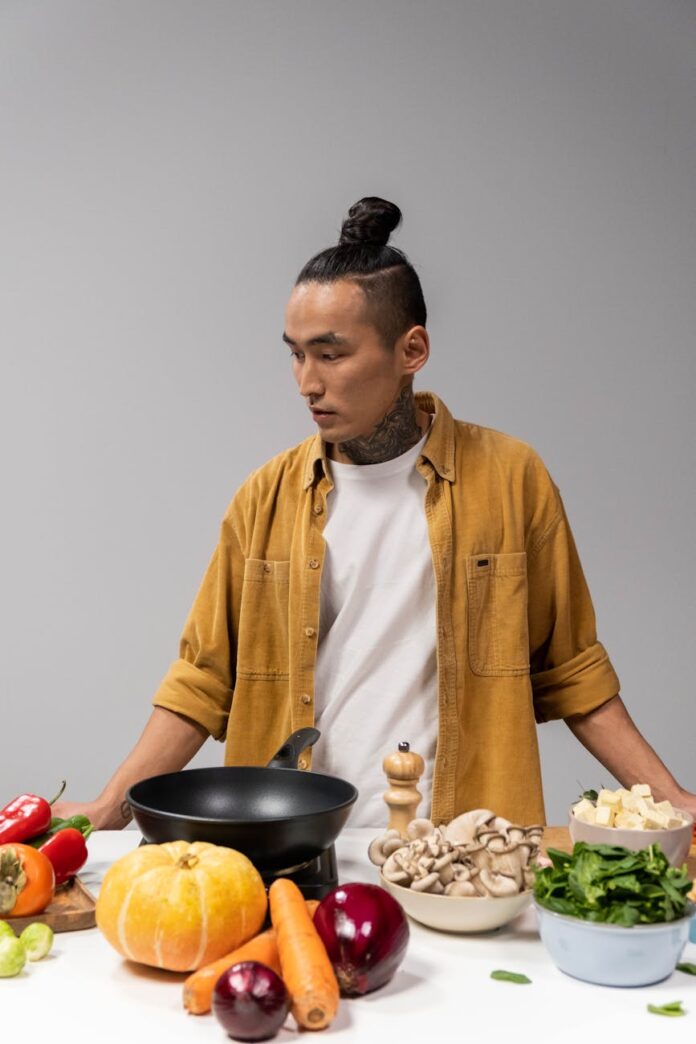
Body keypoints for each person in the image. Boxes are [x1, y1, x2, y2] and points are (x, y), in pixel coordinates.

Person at [55, 197, 695, 830]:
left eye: (330, 354)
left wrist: (674, 800)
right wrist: (109, 807)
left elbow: (573, 670)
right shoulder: (266, 496)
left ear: (411, 350)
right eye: (296, 353)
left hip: (466, 849)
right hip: (301, 845)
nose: (307, 381)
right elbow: (201, 679)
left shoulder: (511, 478)